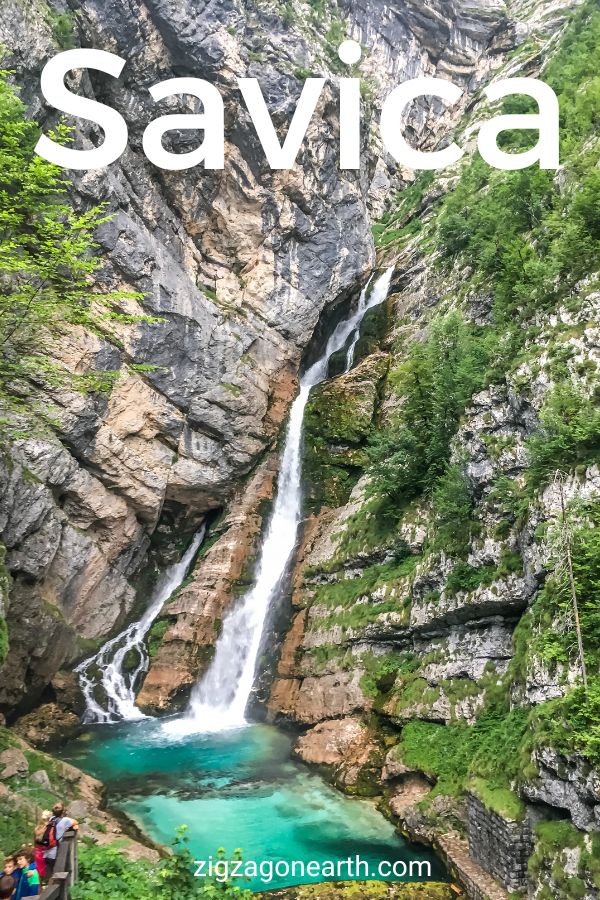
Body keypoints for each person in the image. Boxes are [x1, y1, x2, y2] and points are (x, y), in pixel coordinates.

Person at [42, 802, 78, 878]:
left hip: (46, 852)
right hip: (55, 853)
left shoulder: (51, 819)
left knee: (49, 876)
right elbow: (76, 823)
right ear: (63, 811)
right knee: (56, 875)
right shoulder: (65, 820)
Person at [33, 811, 51, 881]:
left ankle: (42, 880)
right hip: (42, 851)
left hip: (39, 851)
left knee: (40, 868)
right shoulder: (45, 828)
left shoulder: (38, 828)